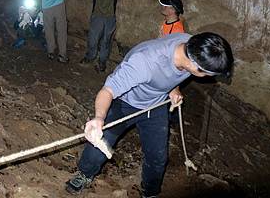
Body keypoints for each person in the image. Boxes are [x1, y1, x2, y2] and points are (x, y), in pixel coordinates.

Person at [65, 32, 233, 197]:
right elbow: (108, 90)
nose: (206, 78)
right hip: (125, 102)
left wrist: (173, 90)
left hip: (155, 105)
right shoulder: (144, 62)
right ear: (194, 64)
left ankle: (150, 191)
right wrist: (99, 118)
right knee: (99, 144)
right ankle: (84, 174)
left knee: (158, 156)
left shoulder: (192, 45)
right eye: (206, 74)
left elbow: (174, 74)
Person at [80, 0, 129, 72]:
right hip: (97, 15)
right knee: (93, 39)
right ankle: (90, 57)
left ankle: (102, 61)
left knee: (106, 41)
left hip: (109, 17)